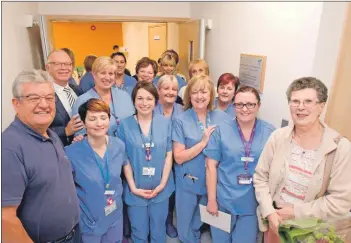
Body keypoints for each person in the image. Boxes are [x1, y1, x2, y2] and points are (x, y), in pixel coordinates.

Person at [253, 77, 351, 242]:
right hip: (276, 225)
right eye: (295, 101)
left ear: (321, 106)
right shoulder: (278, 137)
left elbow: (341, 201)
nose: (300, 107)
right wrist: (269, 211)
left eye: (308, 101)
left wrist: (296, 212)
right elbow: (260, 178)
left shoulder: (340, 147)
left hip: (313, 233)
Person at [2, 70, 80, 243]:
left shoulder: (50, 135)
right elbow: (4, 219)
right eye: (34, 98)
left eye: (49, 98)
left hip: (73, 234)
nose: (44, 104)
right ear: (16, 104)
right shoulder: (9, 147)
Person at [203, 86, 275, 243]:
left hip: (252, 203)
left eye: (250, 104)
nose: (244, 109)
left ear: (258, 105)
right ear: (233, 105)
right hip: (223, 200)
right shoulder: (221, 130)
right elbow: (210, 167)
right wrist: (211, 200)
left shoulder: (270, 133)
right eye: (239, 104)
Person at [172, 74, 231, 243]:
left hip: (211, 182)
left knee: (200, 219)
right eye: (195, 92)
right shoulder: (181, 120)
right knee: (184, 222)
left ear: (211, 95)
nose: (199, 96)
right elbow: (179, 157)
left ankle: (195, 237)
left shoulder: (222, 118)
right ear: (189, 95)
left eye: (204, 92)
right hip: (188, 181)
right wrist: (203, 142)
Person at [117, 82, 175, 243]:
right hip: (136, 190)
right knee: (139, 232)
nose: (144, 103)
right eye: (140, 98)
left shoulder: (164, 122)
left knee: (158, 230)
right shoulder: (124, 125)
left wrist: (163, 184)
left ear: (156, 101)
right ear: (134, 101)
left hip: (161, 188)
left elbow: (168, 154)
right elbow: (125, 160)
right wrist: (133, 187)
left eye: (149, 98)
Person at [65, 98, 128, 243]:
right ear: (84, 121)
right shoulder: (72, 153)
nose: (99, 123)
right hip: (89, 220)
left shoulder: (118, 145)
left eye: (103, 117)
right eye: (92, 119)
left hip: (114, 214)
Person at [72, 56, 134, 138]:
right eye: (103, 73)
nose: (107, 77)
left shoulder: (124, 96)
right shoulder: (82, 101)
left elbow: (133, 123)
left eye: (111, 74)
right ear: (94, 74)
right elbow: (80, 134)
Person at [154, 74, 184, 238]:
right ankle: (154, 221)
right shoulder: (151, 108)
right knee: (157, 188)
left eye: (174, 89)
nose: (170, 92)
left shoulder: (182, 110)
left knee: (171, 190)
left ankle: (168, 221)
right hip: (156, 157)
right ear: (158, 90)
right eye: (166, 88)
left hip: (177, 158)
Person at [46, 50, 84, 146]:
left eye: (68, 64)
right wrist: (65, 131)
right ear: (48, 67)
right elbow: (35, 129)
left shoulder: (78, 90)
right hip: (59, 151)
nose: (64, 68)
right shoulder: (43, 95)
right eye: (58, 64)